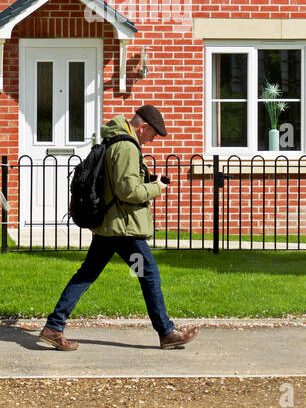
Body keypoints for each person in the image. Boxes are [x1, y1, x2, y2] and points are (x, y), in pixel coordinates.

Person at [39, 105, 200, 351]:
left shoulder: (115, 139)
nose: (151, 140)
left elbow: (121, 182)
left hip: (109, 228)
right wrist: (158, 188)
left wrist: (146, 179)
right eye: (152, 135)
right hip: (123, 230)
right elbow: (128, 192)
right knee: (148, 274)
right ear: (143, 126)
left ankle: (53, 327)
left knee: (87, 275)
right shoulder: (126, 146)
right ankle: (166, 332)